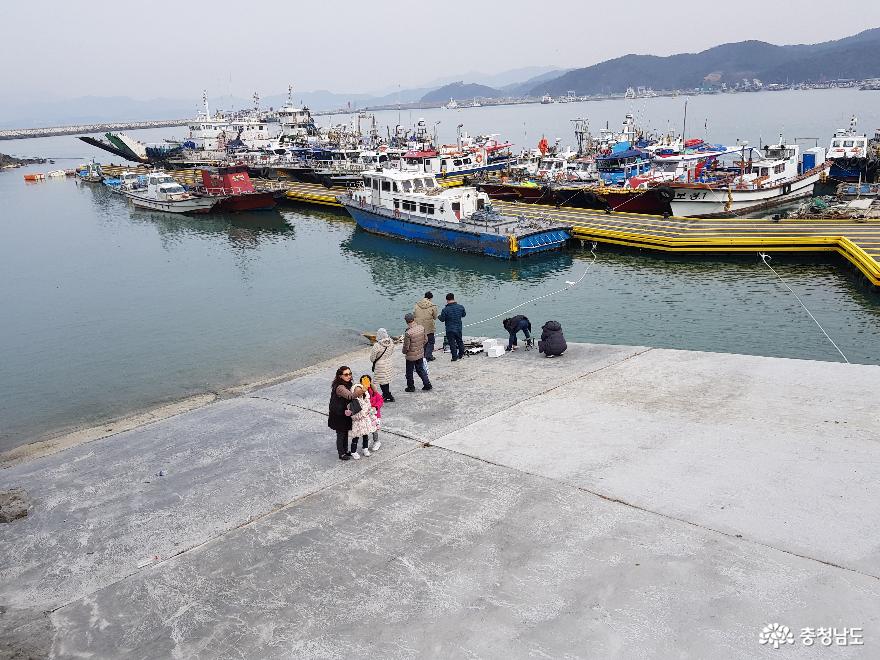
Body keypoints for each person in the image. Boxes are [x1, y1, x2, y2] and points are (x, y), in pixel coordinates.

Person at [328, 366, 363, 461]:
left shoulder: (348, 384)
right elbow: (350, 396)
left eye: (350, 374)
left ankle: (345, 450)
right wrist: (362, 390)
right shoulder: (340, 387)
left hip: (344, 413)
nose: (349, 376)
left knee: (345, 432)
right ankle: (341, 453)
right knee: (341, 434)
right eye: (346, 374)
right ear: (340, 376)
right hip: (338, 414)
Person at [349, 375, 378, 459]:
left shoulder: (366, 400)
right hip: (357, 423)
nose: (360, 393)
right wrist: (361, 415)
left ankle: (365, 449)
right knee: (356, 437)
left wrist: (371, 411)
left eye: (361, 391)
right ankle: (353, 451)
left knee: (366, 436)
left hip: (365, 421)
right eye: (358, 392)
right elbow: (353, 415)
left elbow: (369, 407)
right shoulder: (353, 402)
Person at [402, 312, 432, 392]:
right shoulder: (421, 328)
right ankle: (427, 384)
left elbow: (406, 346)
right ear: (413, 319)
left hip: (411, 355)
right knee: (421, 369)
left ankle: (411, 387)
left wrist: (404, 352)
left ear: (406, 321)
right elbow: (426, 340)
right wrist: (419, 347)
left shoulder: (408, 333)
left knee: (409, 372)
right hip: (420, 353)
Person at [438, 292, 466, 361]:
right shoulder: (460, 307)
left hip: (449, 329)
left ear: (447, 300)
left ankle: (454, 357)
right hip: (458, 328)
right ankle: (461, 354)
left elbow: (442, 319)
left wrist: (438, 316)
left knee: (452, 343)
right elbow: (463, 315)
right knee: (459, 341)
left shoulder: (445, 309)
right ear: (454, 298)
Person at [370, 328, 395, 402]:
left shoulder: (377, 345)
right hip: (388, 363)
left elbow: (372, 358)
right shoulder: (391, 342)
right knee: (386, 380)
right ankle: (387, 394)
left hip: (380, 366)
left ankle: (387, 395)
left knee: (382, 381)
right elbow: (391, 352)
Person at [413, 291, 439, 361]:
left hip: (419, 327)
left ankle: (422, 356)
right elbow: (435, 317)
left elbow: (414, 315)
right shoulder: (433, 306)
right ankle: (428, 356)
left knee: (422, 342)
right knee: (431, 341)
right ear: (431, 298)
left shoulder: (417, 305)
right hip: (429, 327)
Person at [365, 374, 383, 452]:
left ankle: (376, 441)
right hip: (366, 414)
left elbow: (380, 400)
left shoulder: (374, 391)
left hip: (374, 415)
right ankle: (366, 441)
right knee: (366, 428)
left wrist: (375, 407)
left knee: (374, 429)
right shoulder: (361, 391)